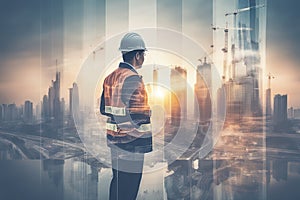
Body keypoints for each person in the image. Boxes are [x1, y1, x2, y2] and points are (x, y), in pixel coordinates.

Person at [100, 32, 152, 200]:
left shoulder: (110, 78)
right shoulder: (133, 79)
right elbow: (139, 115)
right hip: (133, 143)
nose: (143, 57)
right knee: (129, 189)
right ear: (137, 55)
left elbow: (104, 109)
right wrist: (149, 111)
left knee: (118, 184)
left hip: (115, 142)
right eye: (143, 54)